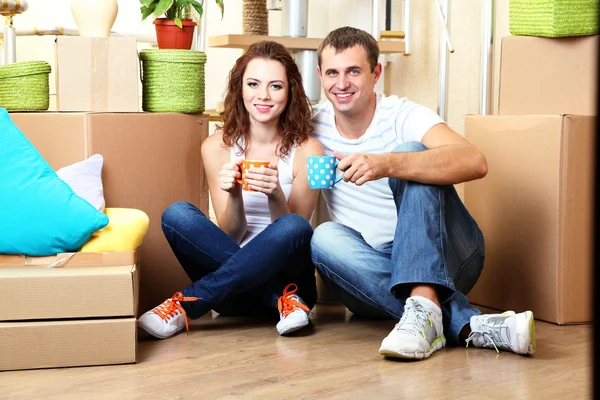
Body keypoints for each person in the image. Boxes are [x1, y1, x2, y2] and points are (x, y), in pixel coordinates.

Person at [310, 26, 535, 360]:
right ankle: (467, 324)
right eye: (332, 72)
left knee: (413, 151)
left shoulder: (401, 114)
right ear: (320, 76)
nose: (341, 84)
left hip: (447, 256)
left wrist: (387, 164)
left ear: (376, 73)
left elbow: (475, 161)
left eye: (353, 71)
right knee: (323, 237)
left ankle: (427, 308)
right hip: (369, 274)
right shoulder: (313, 123)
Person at [138, 41, 324, 340]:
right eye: (253, 84)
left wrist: (275, 193)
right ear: (240, 89)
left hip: (290, 281)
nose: (263, 95)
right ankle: (277, 298)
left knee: (294, 224)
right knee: (177, 214)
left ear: (290, 92)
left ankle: (185, 303)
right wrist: (234, 195)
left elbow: (297, 236)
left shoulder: (311, 150)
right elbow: (231, 234)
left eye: (275, 86)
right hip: (240, 298)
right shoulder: (215, 147)